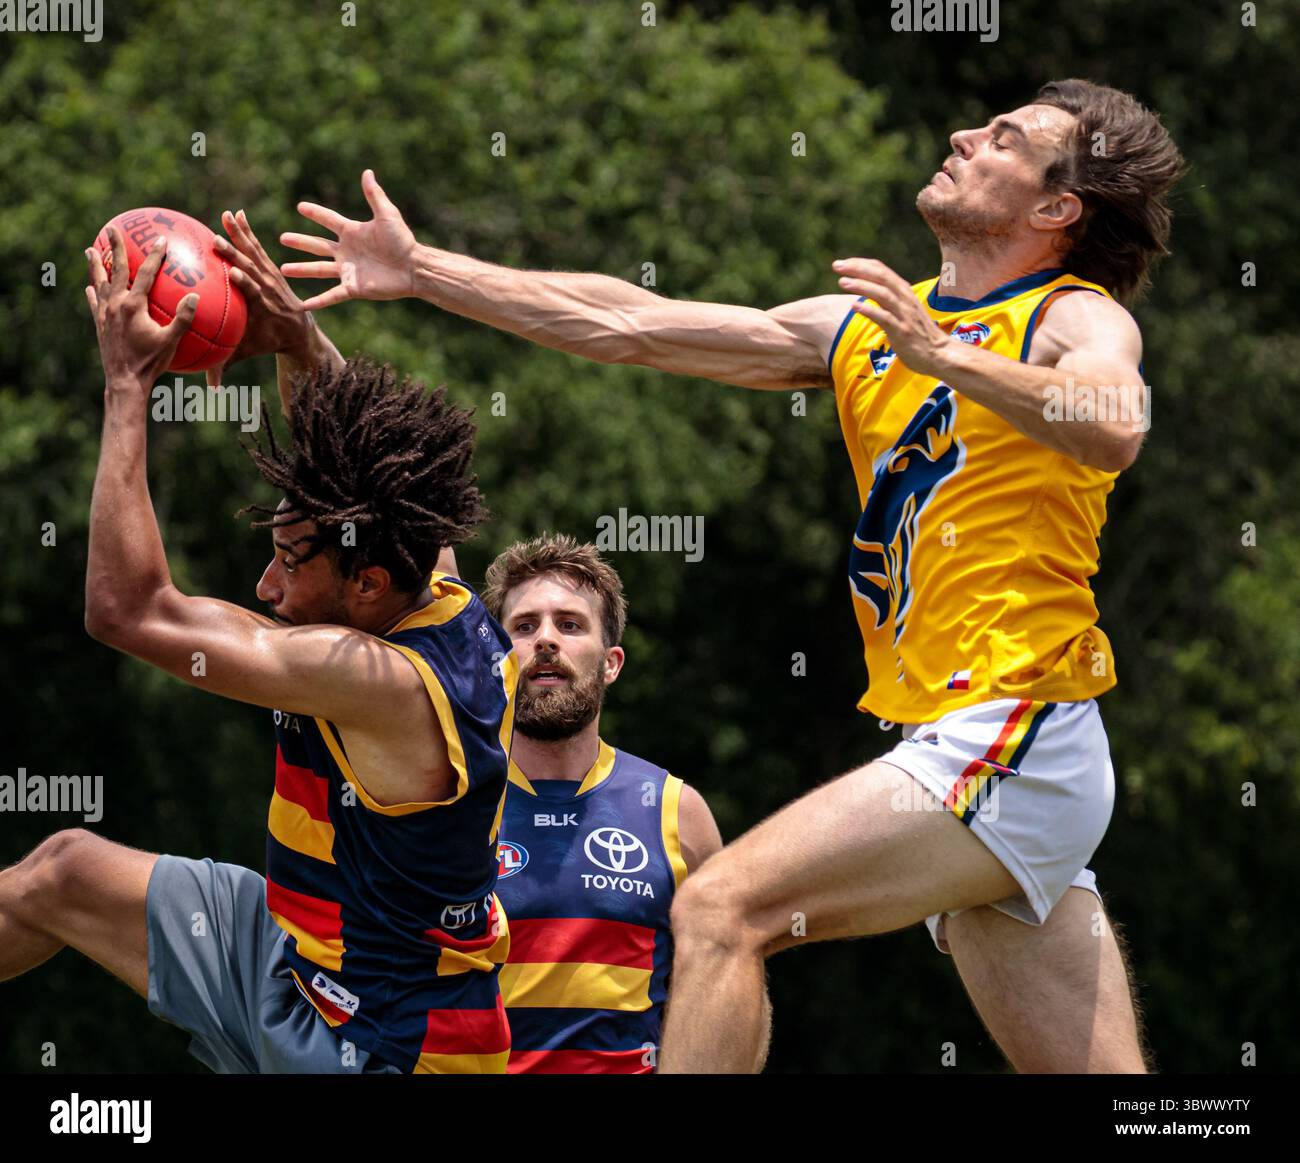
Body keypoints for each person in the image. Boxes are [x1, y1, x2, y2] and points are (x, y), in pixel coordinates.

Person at [279, 78, 1185, 1072]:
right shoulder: (870, 328)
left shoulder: (1067, 315)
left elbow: (1113, 420)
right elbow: (629, 320)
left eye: (1003, 139)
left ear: (1058, 209)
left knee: (718, 908)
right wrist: (422, 270)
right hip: (974, 742)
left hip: (1019, 724)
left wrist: (945, 356)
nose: (964, 133)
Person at [0, 217, 517, 1074]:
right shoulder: (425, 575)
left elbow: (126, 609)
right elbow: (363, 466)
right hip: (297, 956)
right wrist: (296, 333)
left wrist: (127, 388)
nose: (265, 588)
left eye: (287, 563)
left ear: (367, 587)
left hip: (385, 1047)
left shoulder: (381, 681)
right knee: (65, 871)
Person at [480, 534, 722, 1073]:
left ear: (611, 663)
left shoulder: (677, 812)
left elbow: (724, 989)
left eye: (569, 625)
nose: (545, 640)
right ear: (496, 660)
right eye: (524, 626)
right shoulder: (450, 799)